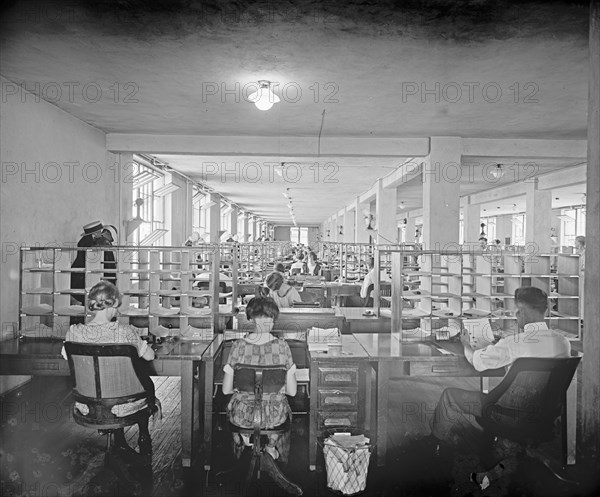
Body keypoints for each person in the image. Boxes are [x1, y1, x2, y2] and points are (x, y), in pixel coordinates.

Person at [430, 286, 570, 487]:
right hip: (543, 415)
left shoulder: (514, 343)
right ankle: (506, 459)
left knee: (449, 397)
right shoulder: (562, 343)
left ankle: (432, 448)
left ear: (520, 312)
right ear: (545, 311)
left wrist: (467, 344)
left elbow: (479, 362)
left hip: (505, 413)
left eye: (517, 312)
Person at [62, 281, 159, 457]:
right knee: (140, 382)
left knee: (109, 380)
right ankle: (143, 436)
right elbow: (150, 356)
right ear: (111, 304)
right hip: (123, 404)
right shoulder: (125, 332)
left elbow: (65, 354)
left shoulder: (73, 332)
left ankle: (119, 441)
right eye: (117, 305)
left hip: (87, 404)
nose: (118, 310)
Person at [222, 297, 297, 464]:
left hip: (243, 416)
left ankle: (246, 443)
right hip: (274, 416)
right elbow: (292, 392)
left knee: (232, 404)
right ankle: (271, 445)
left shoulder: (238, 346)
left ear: (250, 318)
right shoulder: (283, 347)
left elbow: (226, 390)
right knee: (284, 407)